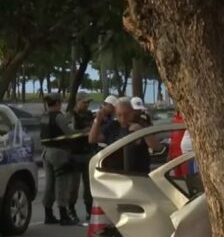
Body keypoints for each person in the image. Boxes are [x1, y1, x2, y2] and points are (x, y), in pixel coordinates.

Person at [40, 93, 80, 226]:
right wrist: (85, 131)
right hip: (59, 153)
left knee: (49, 184)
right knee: (62, 184)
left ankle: (48, 214)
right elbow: (69, 133)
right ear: (57, 103)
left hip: (46, 152)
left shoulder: (45, 116)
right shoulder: (58, 116)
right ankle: (64, 215)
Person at [88, 98, 156, 174]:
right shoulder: (113, 126)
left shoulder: (142, 123)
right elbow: (92, 139)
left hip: (138, 174)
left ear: (132, 112)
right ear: (115, 114)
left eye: (126, 114)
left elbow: (156, 147)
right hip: (116, 174)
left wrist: (142, 132)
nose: (123, 118)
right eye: (119, 115)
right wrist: (97, 120)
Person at [67, 92, 95, 221]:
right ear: (77, 102)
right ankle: (70, 209)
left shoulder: (89, 115)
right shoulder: (71, 116)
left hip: (87, 153)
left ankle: (89, 210)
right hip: (75, 154)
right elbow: (70, 133)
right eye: (84, 102)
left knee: (88, 186)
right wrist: (85, 131)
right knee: (74, 186)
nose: (87, 105)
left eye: (88, 102)